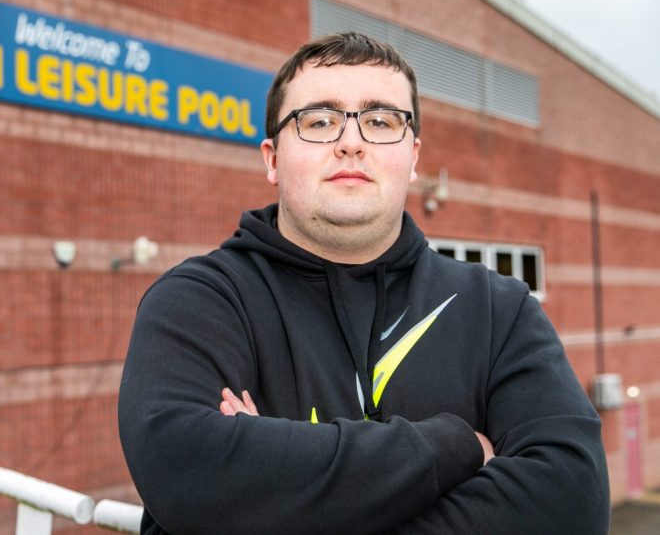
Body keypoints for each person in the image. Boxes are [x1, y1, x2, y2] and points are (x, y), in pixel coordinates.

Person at [118, 32, 609, 534]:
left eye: (380, 121)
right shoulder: (201, 300)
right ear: (271, 158)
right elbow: (188, 472)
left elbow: (572, 500)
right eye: (319, 121)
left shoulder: (497, 308)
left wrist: (273, 482)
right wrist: (455, 447)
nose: (350, 142)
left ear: (414, 157)